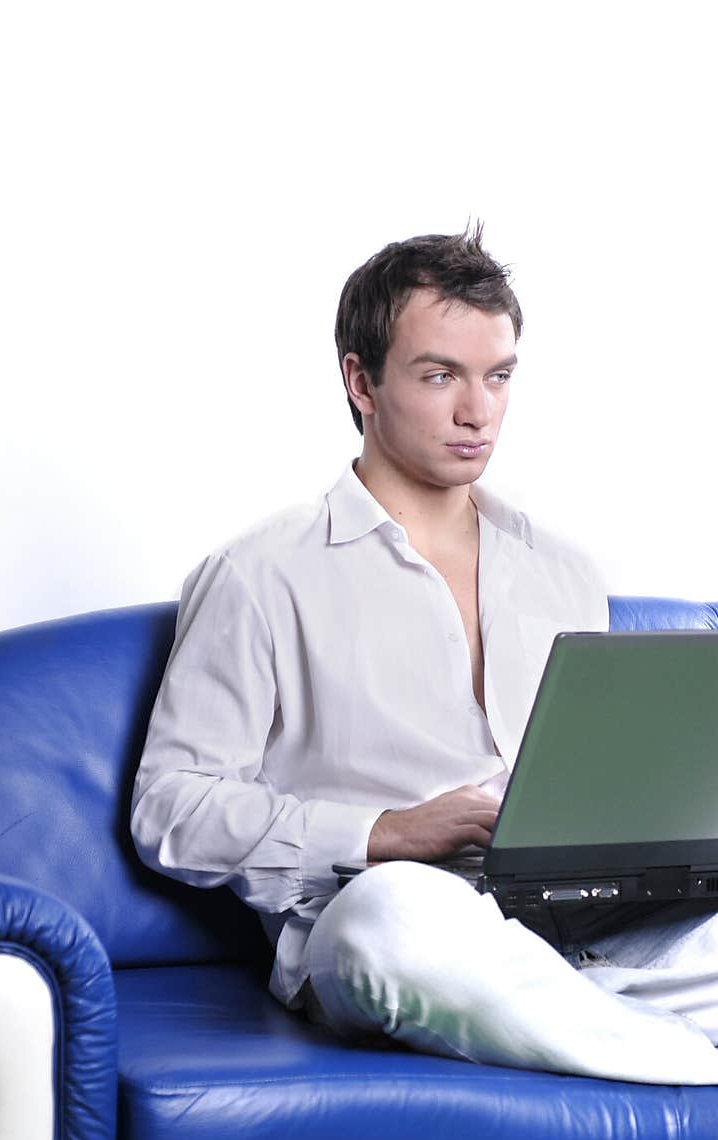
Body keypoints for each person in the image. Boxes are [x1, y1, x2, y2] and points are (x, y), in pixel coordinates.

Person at [131, 226, 718, 1086]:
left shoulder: (563, 570)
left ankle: (599, 1022)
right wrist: (383, 834)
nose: (477, 410)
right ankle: (688, 1062)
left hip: (582, 922)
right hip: (400, 917)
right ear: (360, 381)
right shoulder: (260, 574)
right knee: (392, 920)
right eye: (441, 375)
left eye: (499, 376)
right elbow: (170, 808)